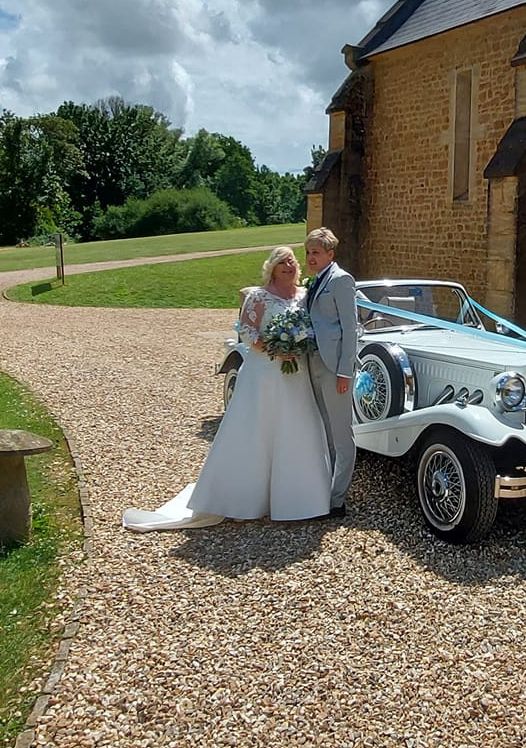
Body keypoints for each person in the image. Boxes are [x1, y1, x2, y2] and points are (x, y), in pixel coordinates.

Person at [122, 245, 332, 530]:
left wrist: (299, 345)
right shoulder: (259, 296)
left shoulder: (305, 296)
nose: (289, 266)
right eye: (282, 262)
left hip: (297, 376)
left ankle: (298, 499)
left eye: (292, 262)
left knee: (297, 429)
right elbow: (245, 331)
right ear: (271, 267)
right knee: (255, 432)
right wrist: (274, 348)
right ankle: (244, 499)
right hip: (264, 374)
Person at [304, 226, 358, 517]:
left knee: (341, 434)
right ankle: (324, 489)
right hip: (314, 362)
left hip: (335, 367)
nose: (310, 258)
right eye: (308, 252)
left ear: (330, 254)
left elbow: (351, 328)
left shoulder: (341, 280)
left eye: (316, 253)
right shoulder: (315, 281)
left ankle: (337, 500)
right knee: (324, 430)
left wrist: (345, 372)